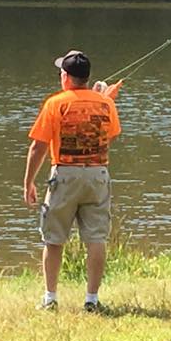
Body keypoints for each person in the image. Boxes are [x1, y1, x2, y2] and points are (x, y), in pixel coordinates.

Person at [23, 50, 122, 313]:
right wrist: (104, 100)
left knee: (54, 239)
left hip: (65, 175)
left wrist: (28, 183)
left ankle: (50, 298)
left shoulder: (55, 103)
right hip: (98, 175)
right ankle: (91, 300)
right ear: (87, 77)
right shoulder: (106, 104)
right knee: (96, 238)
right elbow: (107, 138)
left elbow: (38, 147)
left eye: (61, 73)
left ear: (66, 77)